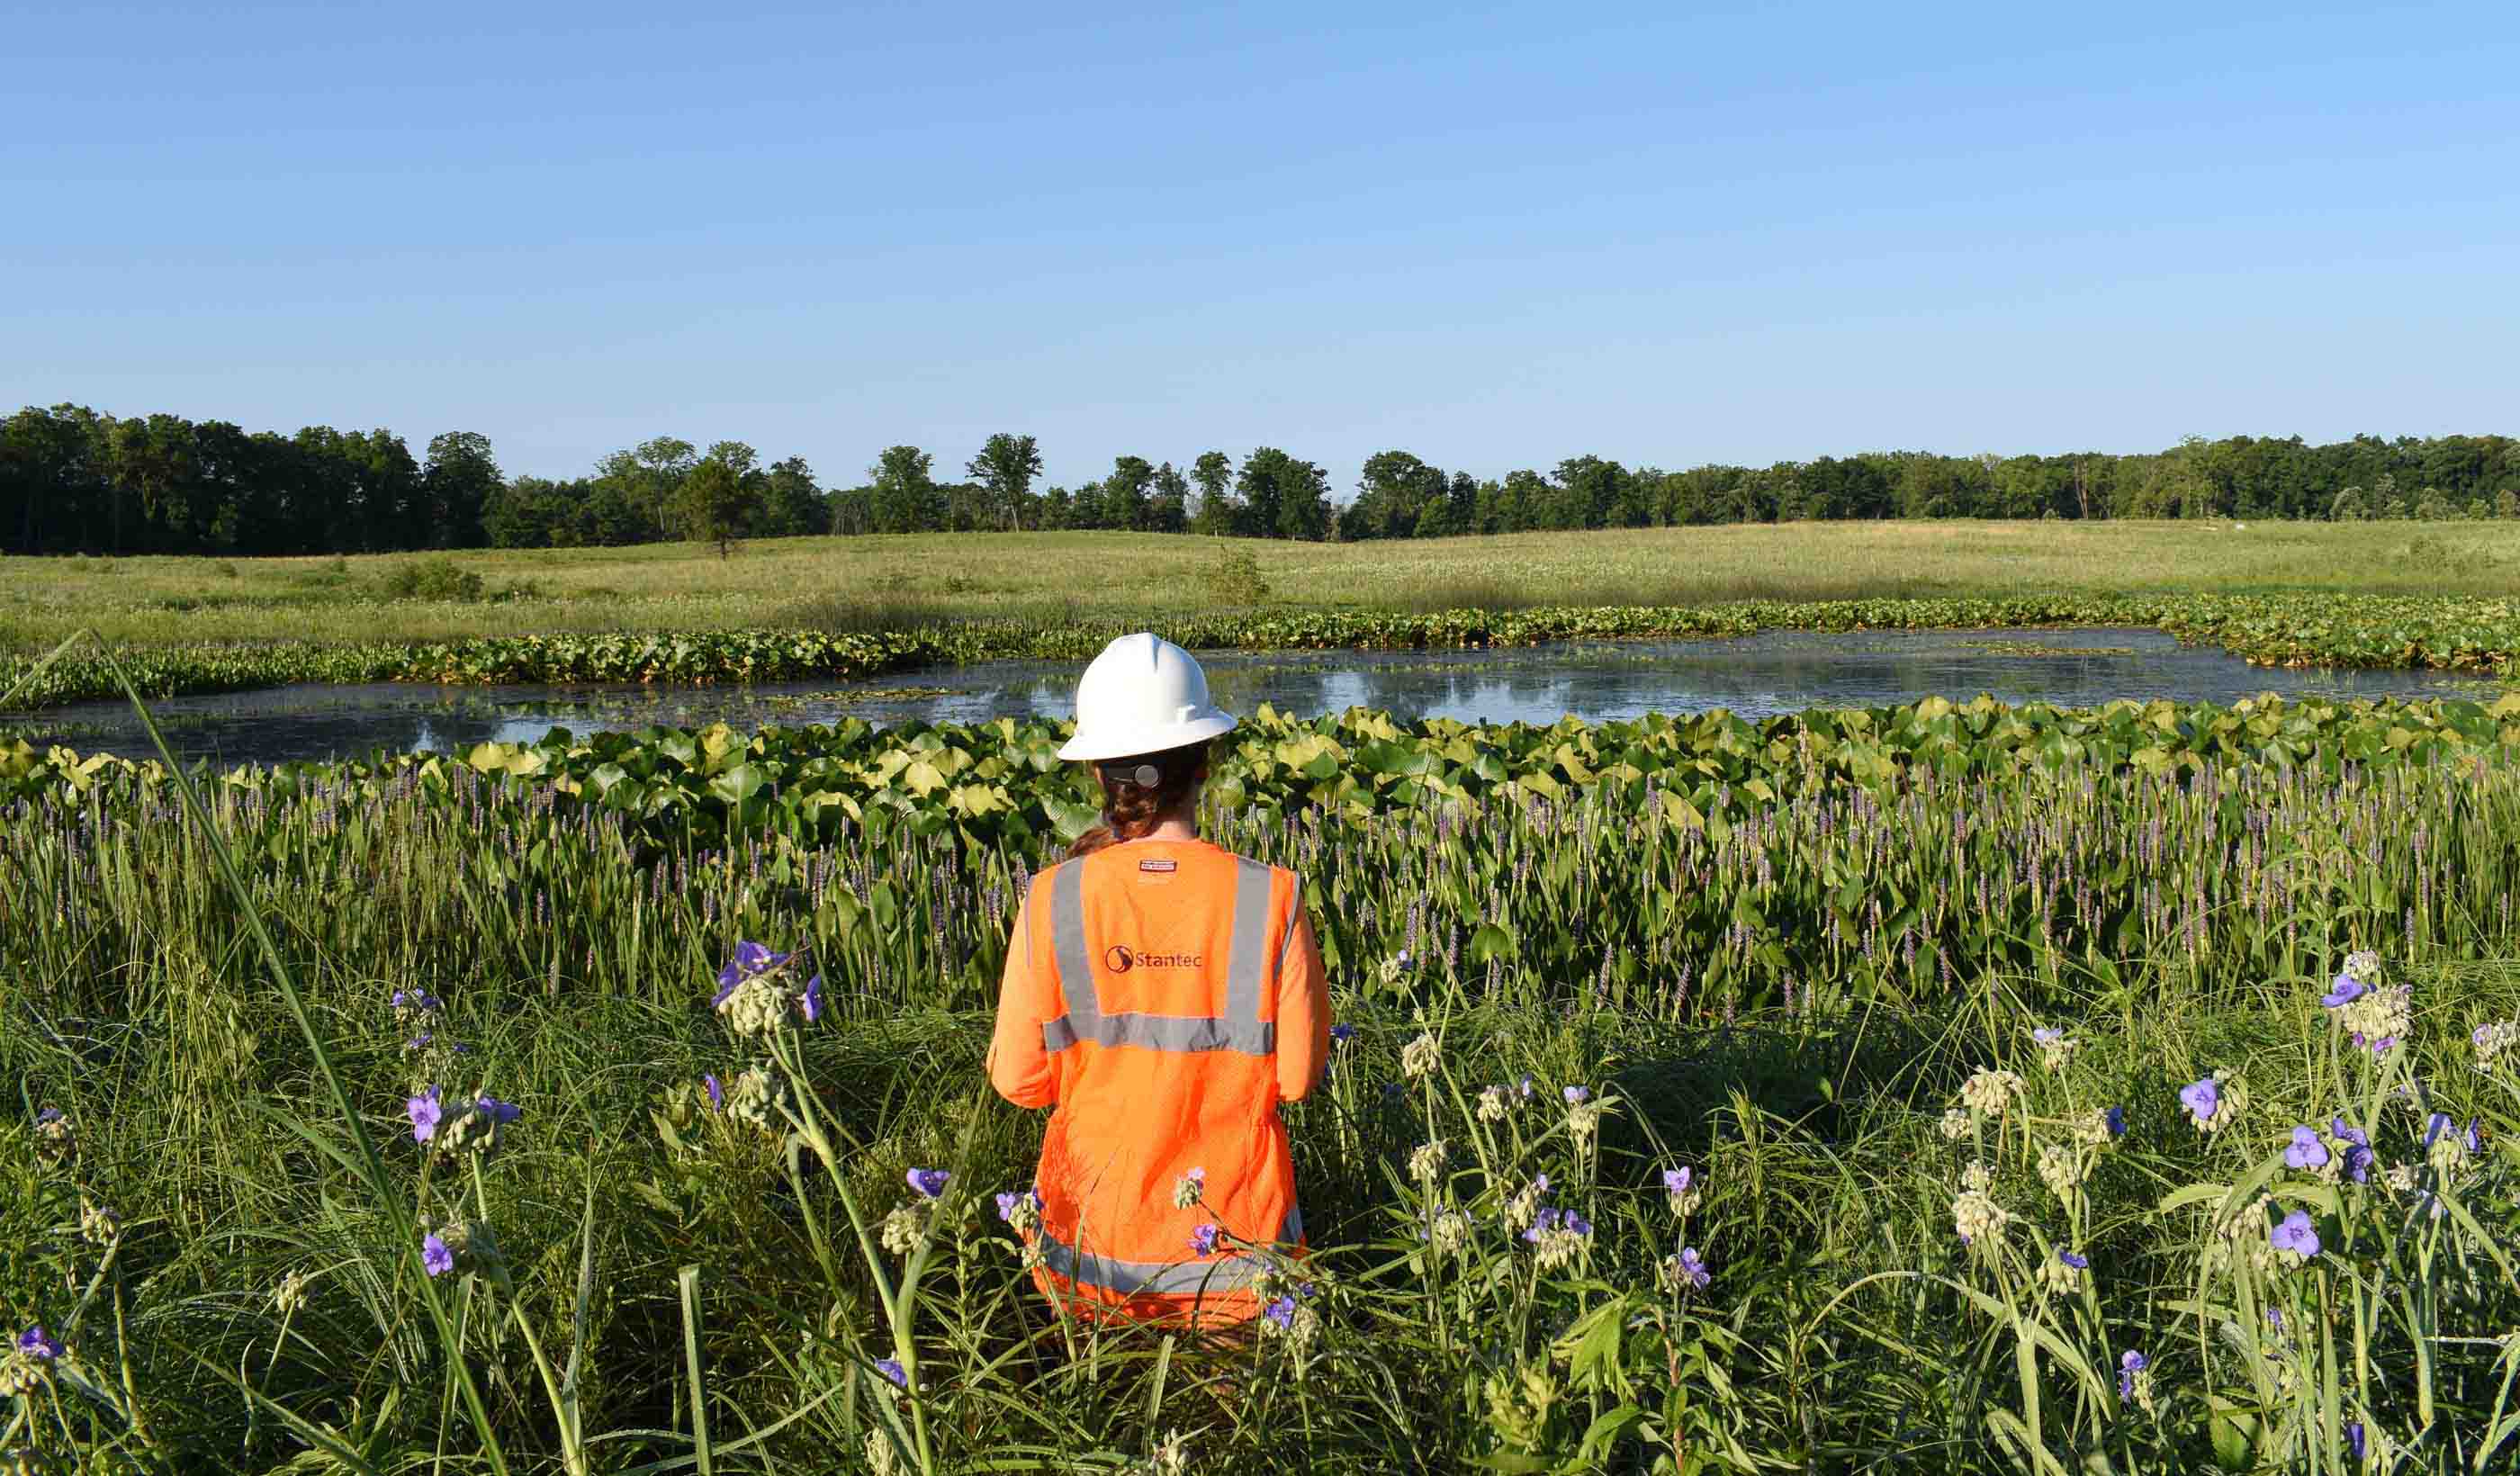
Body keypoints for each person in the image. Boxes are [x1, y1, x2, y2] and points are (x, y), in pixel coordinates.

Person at [988, 632, 1330, 1327]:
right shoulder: (1273, 898)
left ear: (1098, 775)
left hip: (1086, 1265)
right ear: (1204, 762)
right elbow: (1295, 1079)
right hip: (1237, 1267)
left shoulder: (1051, 899)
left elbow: (1017, 1084)